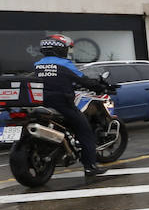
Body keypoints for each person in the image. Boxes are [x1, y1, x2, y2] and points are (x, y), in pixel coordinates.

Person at [32, 34, 110, 177]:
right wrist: (99, 86)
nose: (68, 52)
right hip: (62, 104)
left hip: (42, 104)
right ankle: (90, 167)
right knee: (85, 131)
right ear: (60, 50)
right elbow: (83, 81)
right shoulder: (65, 65)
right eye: (67, 49)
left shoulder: (38, 65)